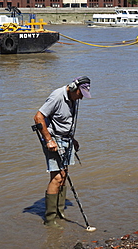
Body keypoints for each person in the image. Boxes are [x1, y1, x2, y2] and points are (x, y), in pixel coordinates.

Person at [33, 76, 91, 228]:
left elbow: (65, 122)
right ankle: (50, 219)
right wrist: (48, 140)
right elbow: (38, 117)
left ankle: (59, 212)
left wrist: (73, 139)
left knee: (64, 176)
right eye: (80, 94)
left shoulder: (74, 99)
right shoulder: (57, 96)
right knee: (57, 177)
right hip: (54, 140)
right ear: (74, 88)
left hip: (67, 139)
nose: (81, 98)